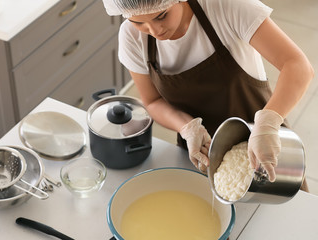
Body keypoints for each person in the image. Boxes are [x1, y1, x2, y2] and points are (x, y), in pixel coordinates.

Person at [102, 0, 314, 187]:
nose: (154, 30)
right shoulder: (131, 37)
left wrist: (268, 123)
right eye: (138, 22)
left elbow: (297, 65)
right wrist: (187, 128)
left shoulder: (226, 6)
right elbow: (152, 101)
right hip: (201, 152)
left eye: (161, 15)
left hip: (265, 141)